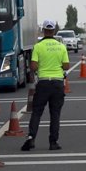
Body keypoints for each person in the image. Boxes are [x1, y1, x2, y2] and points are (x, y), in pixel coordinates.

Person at [21, 19, 69, 151]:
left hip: (43, 83)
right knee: (55, 114)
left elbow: (34, 66)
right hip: (57, 83)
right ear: (54, 31)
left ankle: (31, 138)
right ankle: (53, 142)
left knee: (36, 112)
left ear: (43, 31)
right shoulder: (61, 46)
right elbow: (66, 65)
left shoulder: (38, 46)